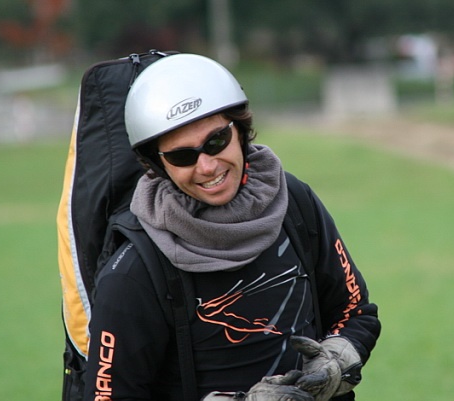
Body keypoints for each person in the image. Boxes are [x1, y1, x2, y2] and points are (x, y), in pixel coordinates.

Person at [83, 53, 381, 401]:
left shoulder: (293, 203)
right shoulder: (134, 269)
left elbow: (354, 311)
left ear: (239, 131)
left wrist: (334, 363)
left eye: (216, 141)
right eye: (182, 156)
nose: (207, 166)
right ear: (157, 164)